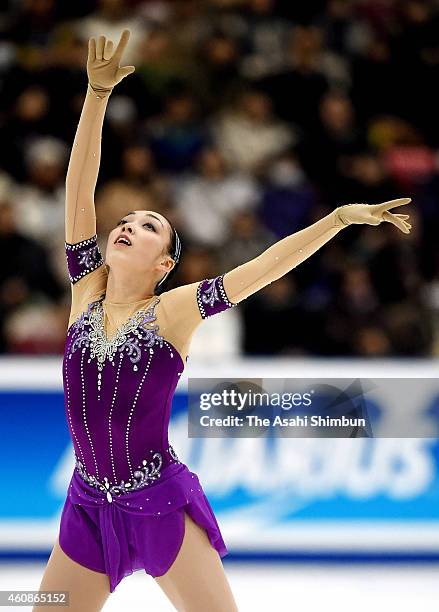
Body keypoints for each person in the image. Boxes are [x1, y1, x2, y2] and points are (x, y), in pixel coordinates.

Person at [34, 30, 412, 612]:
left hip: (157, 501)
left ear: (164, 263)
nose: (128, 223)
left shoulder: (173, 311)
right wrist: (96, 95)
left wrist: (335, 219)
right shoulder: (86, 291)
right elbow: (78, 187)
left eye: (150, 224)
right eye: (128, 218)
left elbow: (261, 268)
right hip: (87, 505)